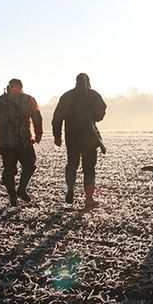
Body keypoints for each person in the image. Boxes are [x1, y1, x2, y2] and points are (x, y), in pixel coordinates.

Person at [52, 73, 107, 211]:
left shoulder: (67, 96)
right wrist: (94, 116)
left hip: (72, 137)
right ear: (88, 82)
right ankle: (88, 198)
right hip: (89, 137)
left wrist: (57, 136)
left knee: (72, 164)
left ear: (76, 82)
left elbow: (57, 118)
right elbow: (101, 112)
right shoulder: (93, 94)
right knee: (89, 169)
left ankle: (70, 188)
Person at [0, 78, 43, 206]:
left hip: (6, 143)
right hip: (24, 141)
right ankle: (22, 189)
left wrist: (3, 123)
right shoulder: (28, 99)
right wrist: (38, 133)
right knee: (29, 164)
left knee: (8, 170)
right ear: (21, 87)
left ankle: (12, 197)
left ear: (8, 87)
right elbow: (37, 116)